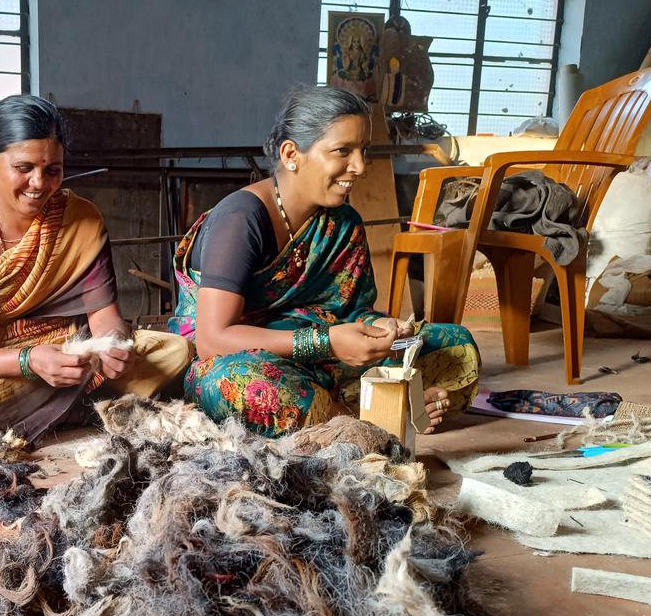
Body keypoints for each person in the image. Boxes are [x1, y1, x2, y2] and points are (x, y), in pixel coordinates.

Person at [167, 85, 479, 437]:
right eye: (342, 151)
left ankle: (359, 408)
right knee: (241, 385)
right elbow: (212, 338)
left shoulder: (343, 222)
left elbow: (351, 314)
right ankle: (379, 415)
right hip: (238, 359)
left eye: (364, 151)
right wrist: (328, 342)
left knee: (455, 344)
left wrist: (383, 329)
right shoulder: (240, 219)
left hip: (324, 358)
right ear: (291, 154)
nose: (359, 167)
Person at [0, 94, 192, 443]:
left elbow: (104, 318)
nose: (40, 184)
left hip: (70, 352)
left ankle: (51, 408)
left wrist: (112, 347)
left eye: (53, 170)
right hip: (2, 362)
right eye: (24, 168)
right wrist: (30, 361)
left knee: (175, 350)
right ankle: (81, 406)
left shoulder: (82, 219)